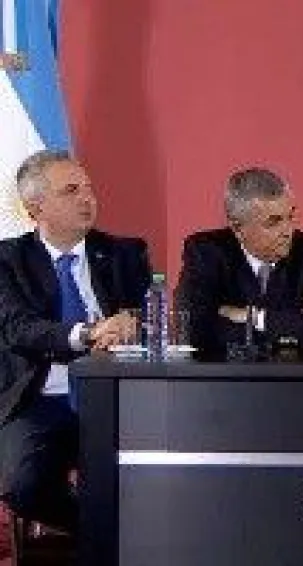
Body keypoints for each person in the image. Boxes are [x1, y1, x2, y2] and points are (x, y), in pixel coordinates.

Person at [0, 150, 150, 532]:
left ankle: (124, 537)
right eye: (71, 190)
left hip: (116, 395)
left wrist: (131, 324)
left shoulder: (125, 254)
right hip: (40, 399)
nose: (87, 198)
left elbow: (149, 317)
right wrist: (86, 333)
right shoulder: (8, 260)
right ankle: (105, 533)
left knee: (156, 472)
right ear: (36, 208)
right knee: (22, 485)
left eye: (88, 188)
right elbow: (18, 327)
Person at [176, 167, 303, 358]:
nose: (288, 231)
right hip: (229, 377)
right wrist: (296, 320)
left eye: (291, 217)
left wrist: (252, 317)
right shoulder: (205, 252)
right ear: (238, 228)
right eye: (273, 222)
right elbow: (194, 332)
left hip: (298, 376)